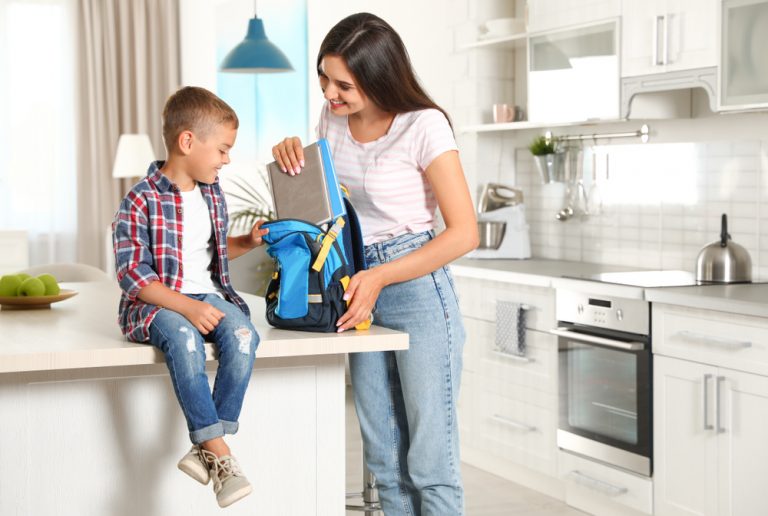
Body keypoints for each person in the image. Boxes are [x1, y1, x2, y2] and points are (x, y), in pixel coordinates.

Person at [271, 13, 479, 516]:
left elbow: (464, 233)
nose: (329, 93)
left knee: (431, 462)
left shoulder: (424, 125)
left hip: (416, 288)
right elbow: (323, 206)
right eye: (324, 78)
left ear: (381, 76)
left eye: (344, 84)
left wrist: (381, 275)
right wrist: (293, 158)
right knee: (383, 457)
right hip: (354, 283)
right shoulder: (332, 119)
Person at [113, 86, 268, 508]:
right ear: (187, 142)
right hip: (155, 303)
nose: (227, 159)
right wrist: (187, 306)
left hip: (207, 295)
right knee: (183, 339)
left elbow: (212, 253)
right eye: (222, 149)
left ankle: (205, 444)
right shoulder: (139, 199)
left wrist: (246, 241)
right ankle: (221, 454)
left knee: (242, 337)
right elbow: (131, 274)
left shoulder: (212, 192)